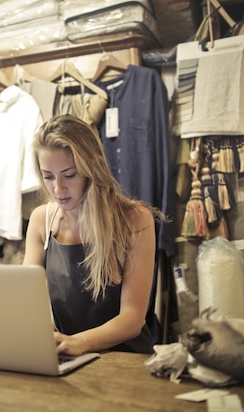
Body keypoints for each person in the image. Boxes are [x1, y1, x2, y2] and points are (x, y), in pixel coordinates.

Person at [23, 114, 166, 356]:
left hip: (125, 359)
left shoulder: (135, 220)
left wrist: (78, 343)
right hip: (66, 356)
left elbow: (132, 319)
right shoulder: (41, 221)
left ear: (92, 168)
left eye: (69, 174)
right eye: (48, 176)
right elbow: (25, 297)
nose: (58, 188)